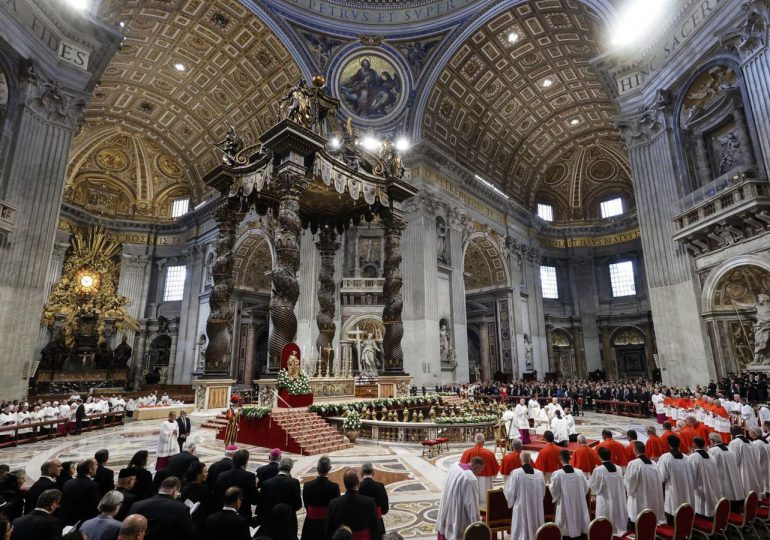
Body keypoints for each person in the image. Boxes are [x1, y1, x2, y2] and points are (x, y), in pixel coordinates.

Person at [131, 476, 195, 540]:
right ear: (174, 490)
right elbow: (190, 533)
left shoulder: (137, 505)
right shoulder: (182, 508)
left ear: (160, 488)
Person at [436, 457, 484, 540]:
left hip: (448, 502)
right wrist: (476, 522)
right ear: (476, 466)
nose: (480, 472)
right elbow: (471, 504)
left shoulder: (455, 466)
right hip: (457, 511)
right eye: (481, 469)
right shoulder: (470, 478)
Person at [327, 468, 382, 540]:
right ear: (358, 483)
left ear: (344, 484)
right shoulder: (369, 502)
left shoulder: (334, 503)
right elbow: (376, 529)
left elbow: (329, 530)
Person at [10, 489, 84, 540]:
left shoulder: (17, 521)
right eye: (58, 505)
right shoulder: (52, 523)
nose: (57, 507)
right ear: (53, 504)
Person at [503, 451, 544, 540]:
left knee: (521, 529)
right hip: (536, 507)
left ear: (520, 460)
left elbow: (510, 491)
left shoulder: (516, 473)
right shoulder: (539, 474)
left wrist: (510, 499)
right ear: (530, 460)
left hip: (521, 506)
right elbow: (543, 492)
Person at [550, 450, 589, 540]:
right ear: (570, 458)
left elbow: (554, 490)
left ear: (560, 459)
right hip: (578, 503)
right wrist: (579, 496)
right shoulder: (579, 473)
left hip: (564, 503)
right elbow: (585, 487)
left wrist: (556, 496)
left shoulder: (558, 474)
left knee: (564, 521)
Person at [259, 457, 302, 538]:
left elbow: (261, 506)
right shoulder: (294, 482)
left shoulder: (266, 483)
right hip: (288, 521)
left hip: (270, 521)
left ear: (279, 467)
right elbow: (298, 505)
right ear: (291, 468)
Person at [589, 447, 628, 536]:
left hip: (604, 499)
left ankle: (604, 532)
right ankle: (617, 529)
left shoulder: (599, 470)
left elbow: (594, 487)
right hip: (618, 498)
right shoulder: (618, 468)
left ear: (599, 457)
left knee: (604, 516)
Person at [625, 441, 665, 526]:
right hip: (653, 499)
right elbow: (660, 480)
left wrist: (628, 491)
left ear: (635, 450)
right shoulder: (654, 464)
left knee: (638, 522)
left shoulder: (634, 464)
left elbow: (630, 483)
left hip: (639, 500)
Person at [301, 457, 340, 540]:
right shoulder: (334, 487)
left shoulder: (307, 485)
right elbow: (336, 506)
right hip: (327, 524)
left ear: (317, 468)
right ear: (329, 469)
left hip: (311, 523)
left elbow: (306, 504)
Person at [657, 435, 694, 522]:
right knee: (684, 516)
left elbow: (661, 477)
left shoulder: (666, 457)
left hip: (673, 493)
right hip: (686, 491)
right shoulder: (687, 458)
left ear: (669, 445)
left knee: (673, 515)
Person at [215, 449, 258, 522]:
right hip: (242, 515)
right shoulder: (249, 476)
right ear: (246, 462)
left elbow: (216, 494)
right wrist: (255, 485)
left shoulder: (221, 475)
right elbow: (254, 500)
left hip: (222, 514)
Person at [708, 432, 746, 510]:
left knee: (724, 501)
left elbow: (711, 467)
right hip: (734, 478)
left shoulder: (712, 451)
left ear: (712, 441)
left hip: (722, 479)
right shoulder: (729, 449)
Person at [459, 433, 499, 504]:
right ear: (483, 441)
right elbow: (495, 468)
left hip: (470, 479)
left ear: (474, 441)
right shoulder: (489, 453)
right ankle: (485, 510)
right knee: (485, 500)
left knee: (472, 499)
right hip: (485, 480)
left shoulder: (467, 452)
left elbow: (461, 469)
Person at [60, 459, 101, 526]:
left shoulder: (68, 483)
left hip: (67, 521)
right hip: (83, 523)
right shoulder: (93, 485)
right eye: (96, 465)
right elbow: (94, 508)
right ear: (90, 469)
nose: (97, 467)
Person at [181, 462, 215, 540]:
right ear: (198, 476)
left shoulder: (185, 488)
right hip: (201, 524)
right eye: (205, 472)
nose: (207, 474)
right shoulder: (205, 489)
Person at [687, 437, 721, 517]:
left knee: (702, 512)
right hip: (713, 487)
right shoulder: (711, 457)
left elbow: (691, 476)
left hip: (700, 491)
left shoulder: (693, 457)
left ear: (694, 444)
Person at [728, 424, 763, 497]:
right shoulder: (750, 442)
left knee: (745, 495)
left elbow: (734, 461)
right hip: (753, 471)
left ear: (732, 433)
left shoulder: (734, 443)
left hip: (742, 473)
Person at [359, 462, 388, 536]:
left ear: (361, 473)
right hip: (377, 523)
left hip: (362, 524)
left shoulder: (358, 487)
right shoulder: (380, 486)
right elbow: (385, 510)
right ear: (373, 473)